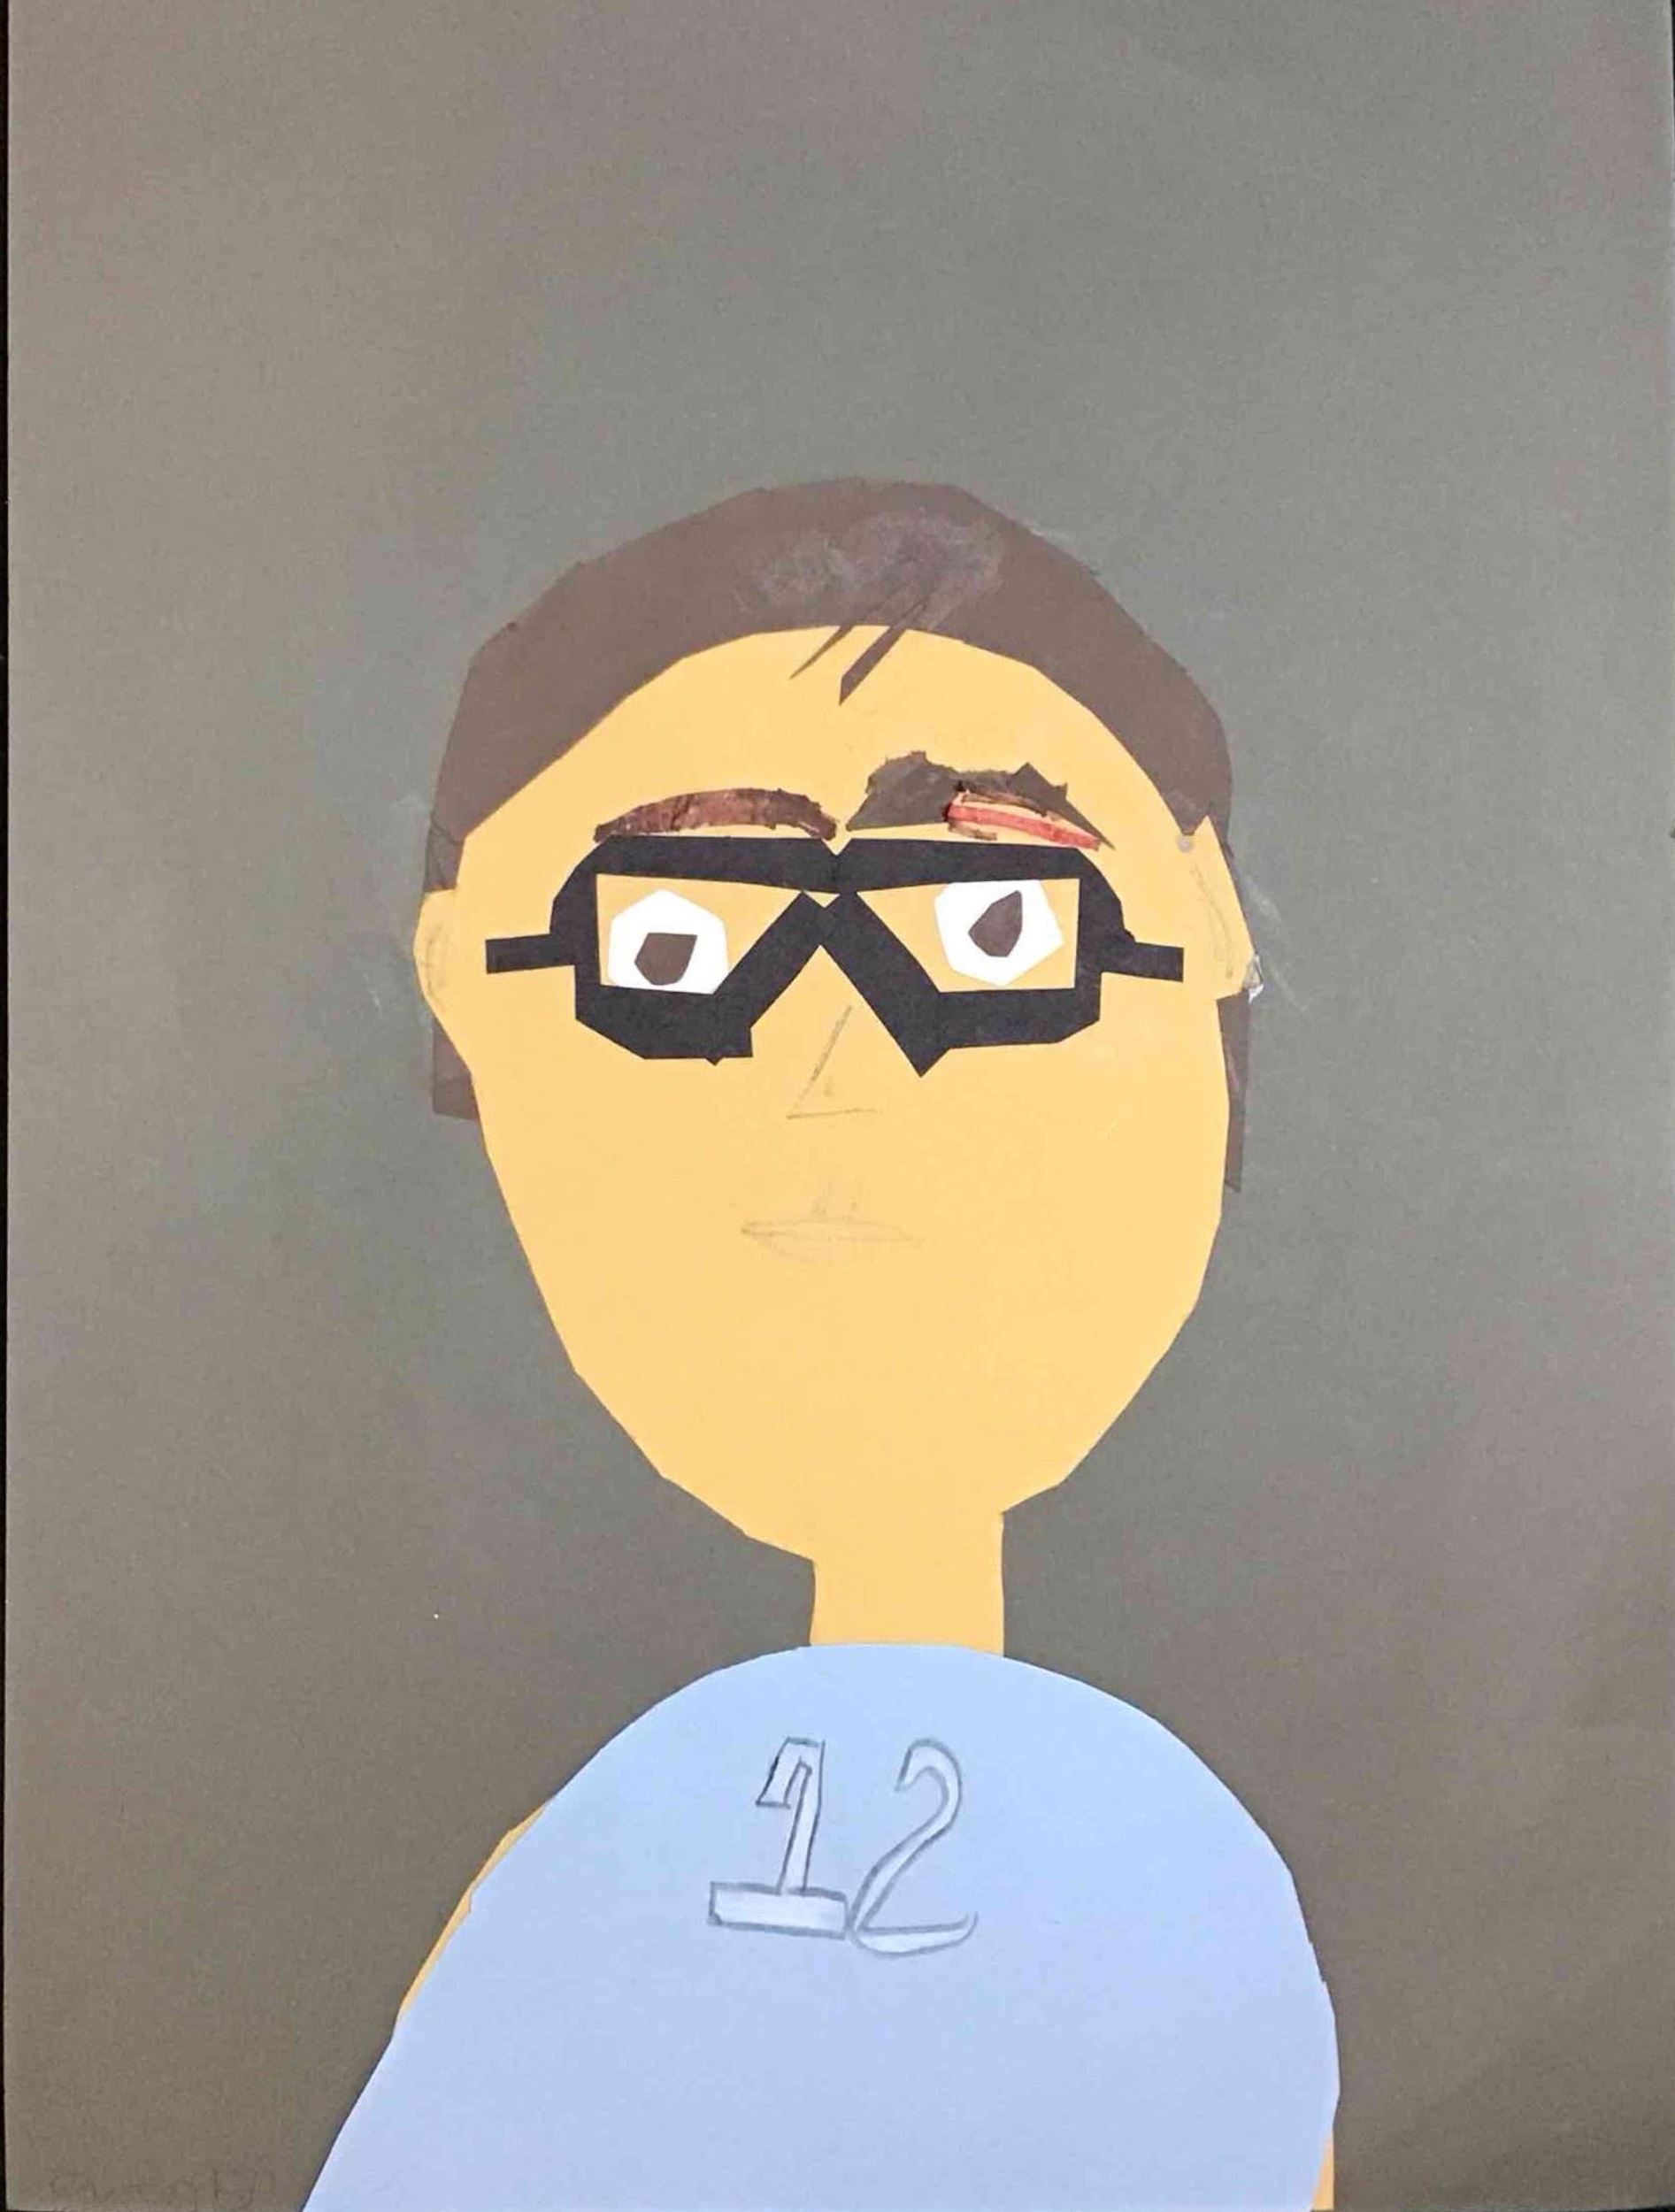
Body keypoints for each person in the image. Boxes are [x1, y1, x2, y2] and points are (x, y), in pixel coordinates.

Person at [306, 482, 1336, 2211]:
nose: (840, 1069)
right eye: (676, 941)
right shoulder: (522, 1894)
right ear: (460, 982)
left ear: (1210, 934)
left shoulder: (1199, 1880)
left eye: (998, 924)